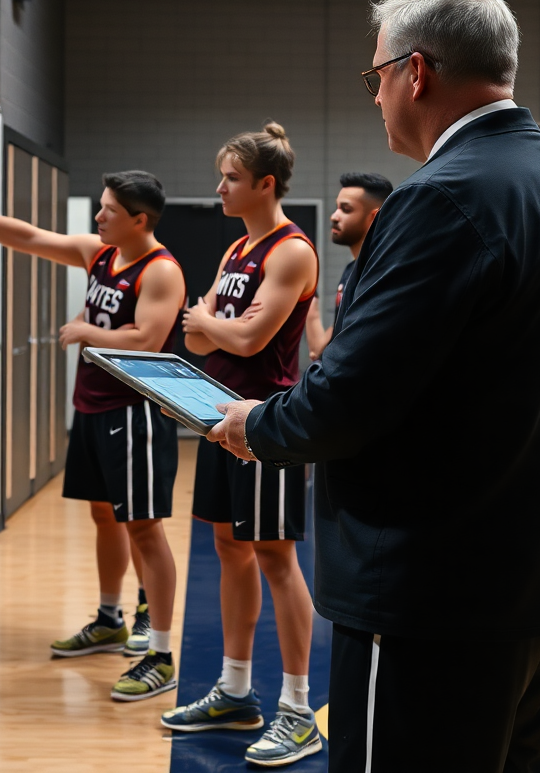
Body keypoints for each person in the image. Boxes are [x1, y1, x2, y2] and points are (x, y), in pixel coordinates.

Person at [206, 0, 540, 771]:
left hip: (437, 594)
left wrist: (256, 424)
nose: (376, 97)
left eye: (376, 77)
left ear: (417, 72)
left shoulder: (445, 196)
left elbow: (351, 394)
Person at [0, 169, 185, 701]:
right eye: (100, 206)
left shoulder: (161, 270)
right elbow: (26, 236)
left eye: (108, 210)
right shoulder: (100, 253)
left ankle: (162, 653)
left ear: (139, 220)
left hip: (135, 410)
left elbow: (147, 341)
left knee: (144, 528)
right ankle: (109, 619)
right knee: (104, 515)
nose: (98, 216)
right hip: (92, 406)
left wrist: (86, 330)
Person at [162, 122, 321, 768]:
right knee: (229, 548)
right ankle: (234, 691)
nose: (219, 188)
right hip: (216, 417)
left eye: (231, 178)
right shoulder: (236, 249)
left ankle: (298, 709)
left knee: (276, 559)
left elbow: (250, 341)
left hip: (265, 425)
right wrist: (216, 326)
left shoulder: (292, 251)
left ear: (265, 183)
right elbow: (196, 336)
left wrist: (214, 323)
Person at [305, 172, 393, 359]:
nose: (334, 216)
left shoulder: (380, 275)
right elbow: (318, 351)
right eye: (337, 208)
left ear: (374, 217)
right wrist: (307, 294)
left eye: (346, 209)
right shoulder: (350, 272)